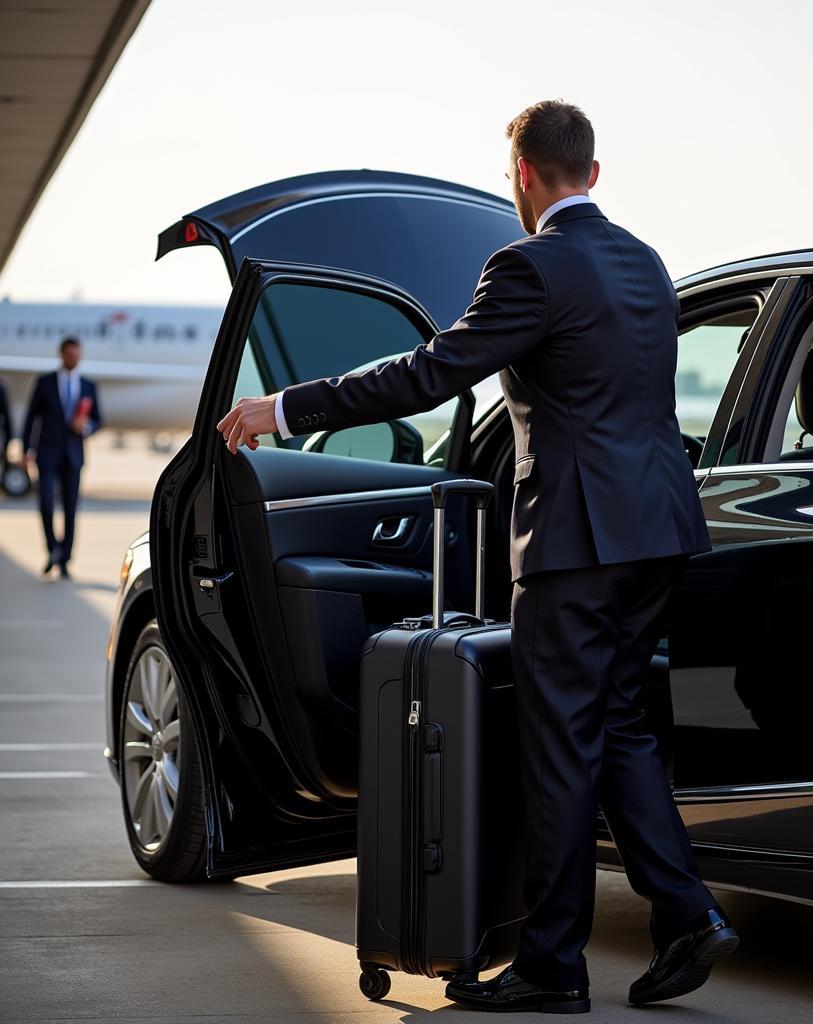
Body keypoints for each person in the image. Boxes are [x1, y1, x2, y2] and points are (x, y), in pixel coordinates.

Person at [218, 100, 737, 1012]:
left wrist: (285, 408)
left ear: (526, 178)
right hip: (659, 531)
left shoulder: (528, 267)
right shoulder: (647, 264)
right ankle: (688, 917)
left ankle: (553, 966)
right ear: (594, 174)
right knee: (620, 729)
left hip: (575, 543)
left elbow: (429, 372)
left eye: (512, 178)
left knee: (561, 751)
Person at [21, 337, 102, 578]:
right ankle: (52, 550)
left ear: (81, 356)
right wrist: (25, 448)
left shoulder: (88, 385)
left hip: (73, 455)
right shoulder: (44, 382)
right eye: (69, 355)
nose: (73, 359)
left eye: (76, 355)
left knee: (70, 508)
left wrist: (85, 427)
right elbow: (31, 417)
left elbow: (98, 419)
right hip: (46, 452)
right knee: (45, 503)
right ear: (61, 355)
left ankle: (65, 559)